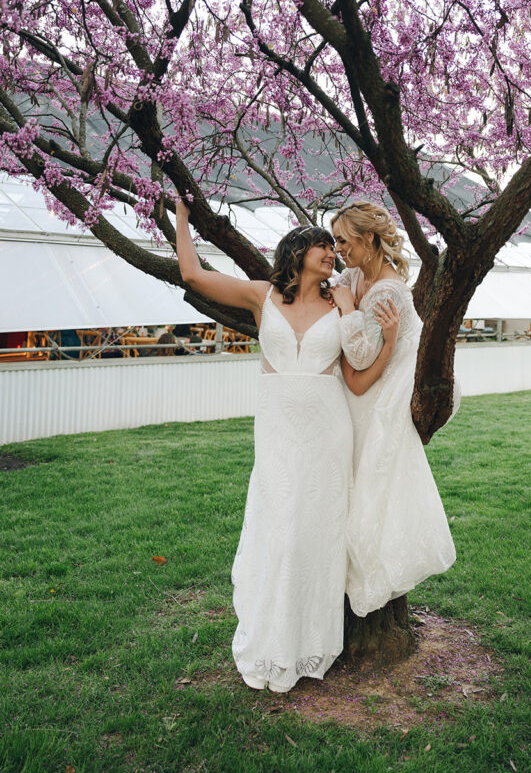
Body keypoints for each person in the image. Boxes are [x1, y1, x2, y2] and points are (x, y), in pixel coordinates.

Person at [174, 198, 397, 692]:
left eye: (334, 247)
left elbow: (357, 380)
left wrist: (390, 335)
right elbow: (191, 274)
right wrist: (184, 219)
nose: (332, 254)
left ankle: (310, 643)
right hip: (276, 428)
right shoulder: (262, 296)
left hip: (326, 430)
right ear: (297, 251)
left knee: (315, 533)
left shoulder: (344, 301)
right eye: (323, 245)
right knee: (279, 529)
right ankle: (272, 637)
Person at [330, 201, 457, 618]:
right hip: (363, 386)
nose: (338, 250)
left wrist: (347, 308)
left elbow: (364, 356)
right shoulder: (353, 276)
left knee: (372, 482)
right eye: (335, 241)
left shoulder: (386, 290)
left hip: (385, 386)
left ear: (368, 239)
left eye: (344, 241)